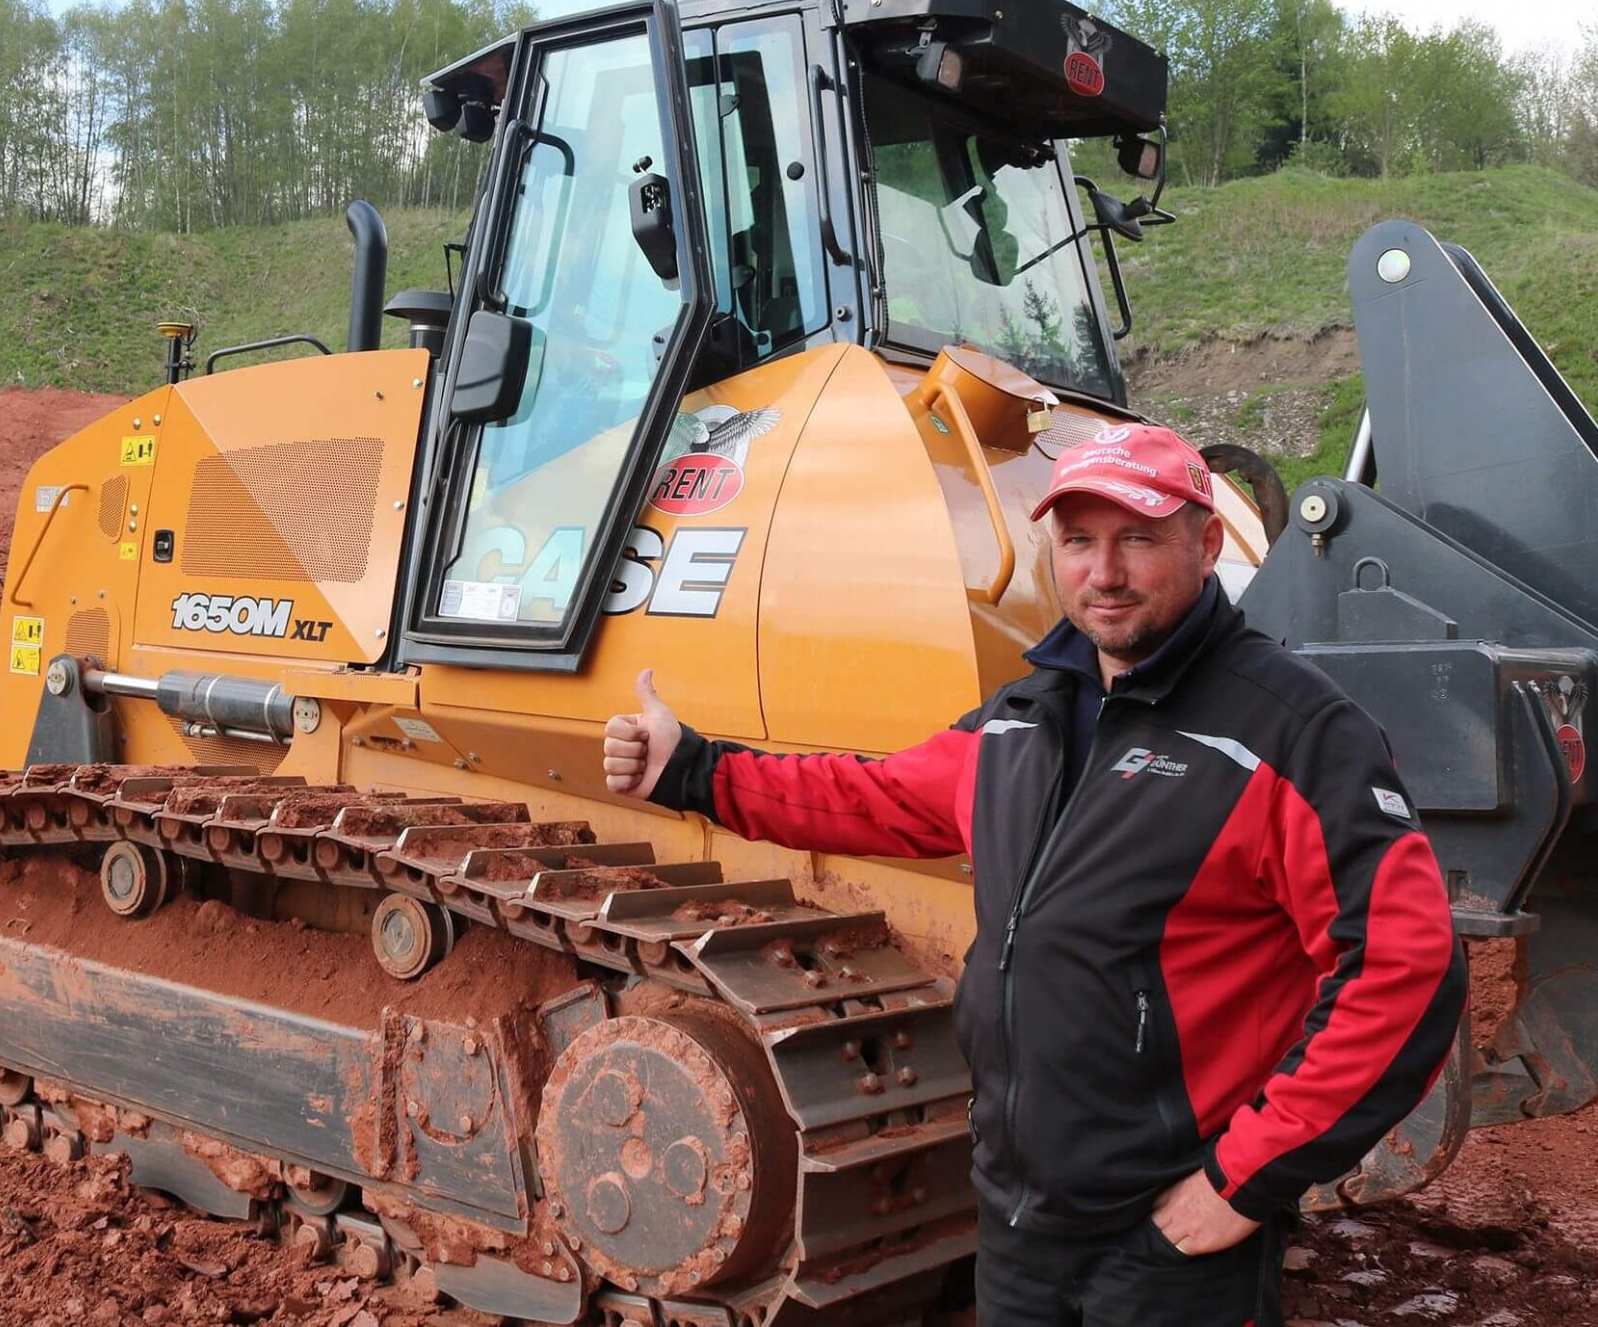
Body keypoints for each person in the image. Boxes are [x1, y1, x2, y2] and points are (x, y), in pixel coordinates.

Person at [601, 423, 1464, 1326]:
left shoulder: (1295, 734)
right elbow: (870, 796)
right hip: (1018, 1220)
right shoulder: (1022, 719)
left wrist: (1241, 1183)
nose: (1106, 571)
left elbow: (1404, 971)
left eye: (1138, 536)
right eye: (1080, 540)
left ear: (1207, 544)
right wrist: (693, 769)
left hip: (1169, 1233)